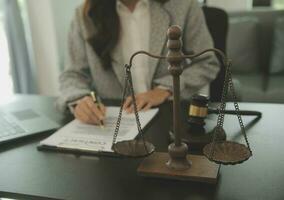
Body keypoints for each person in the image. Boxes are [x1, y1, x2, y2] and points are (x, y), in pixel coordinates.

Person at [57, 0, 220, 125]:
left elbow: (206, 63)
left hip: (171, 119)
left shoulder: (183, 5)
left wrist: (164, 90)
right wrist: (80, 100)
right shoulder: (85, 15)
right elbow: (73, 75)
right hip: (114, 122)